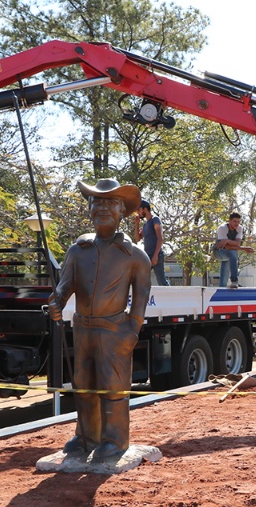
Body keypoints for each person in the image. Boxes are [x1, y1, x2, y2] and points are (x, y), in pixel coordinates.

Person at [48, 178, 152, 461]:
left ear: (122, 211)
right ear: (89, 209)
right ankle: (87, 436)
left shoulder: (135, 256)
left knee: (113, 387)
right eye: (97, 202)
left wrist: (131, 331)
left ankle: (115, 440)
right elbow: (63, 288)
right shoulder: (77, 251)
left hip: (114, 330)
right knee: (83, 385)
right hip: (82, 329)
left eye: (111, 203)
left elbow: (140, 299)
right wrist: (56, 303)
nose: (102, 208)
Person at [135, 199, 169, 286]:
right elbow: (138, 239)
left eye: (139, 209)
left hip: (156, 255)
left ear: (145, 209)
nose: (138, 212)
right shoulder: (145, 225)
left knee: (162, 281)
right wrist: (137, 224)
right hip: (147, 256)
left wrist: (155, 255)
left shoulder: (155, 220)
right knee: (140, 278)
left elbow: (160, 238)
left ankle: (172, 294)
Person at [214, 212, 254, 288]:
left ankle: (222, 288)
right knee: (233, 252)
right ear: (229, 221)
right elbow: (227, 247)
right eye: (235, 221)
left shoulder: (239, 228)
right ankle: (234, 280)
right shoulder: (222, 228)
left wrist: (227, 240)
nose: (237, 224)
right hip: (219, 251)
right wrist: (244, 248)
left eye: (238, 221)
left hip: (229, 253)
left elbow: (237, 243)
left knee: (226, 267)